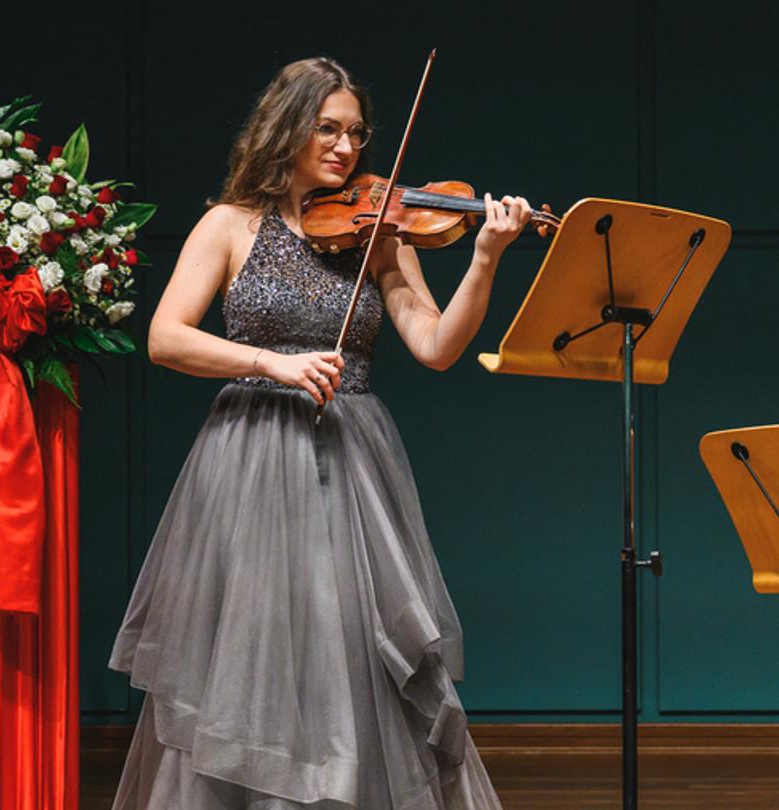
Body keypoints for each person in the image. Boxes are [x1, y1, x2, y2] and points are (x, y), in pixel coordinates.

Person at [108, 57, 533, 809]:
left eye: (355, 134)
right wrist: (271, 362)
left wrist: (486, 259)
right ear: (288, 128)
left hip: (352, 460)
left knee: (349, 648)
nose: (344, 147)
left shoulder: (382, 233)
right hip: (251, 458)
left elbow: (435, 347)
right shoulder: (230, 225)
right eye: (327, 129)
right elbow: (166, 338)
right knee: (255, 645)